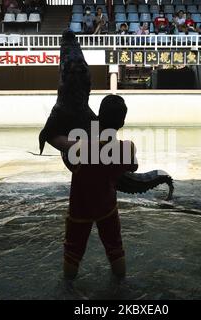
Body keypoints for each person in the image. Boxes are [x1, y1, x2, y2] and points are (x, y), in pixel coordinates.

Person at [63, 95, 138, 280]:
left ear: (98, 117)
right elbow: (133, 167)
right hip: (107, 207)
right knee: (115, 249)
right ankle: (120, 289)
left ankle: (69, 290)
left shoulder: (81, 150)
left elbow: (66, 158)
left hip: (80, 209)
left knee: (72, 253)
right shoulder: (128, 149)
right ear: (122, 121)